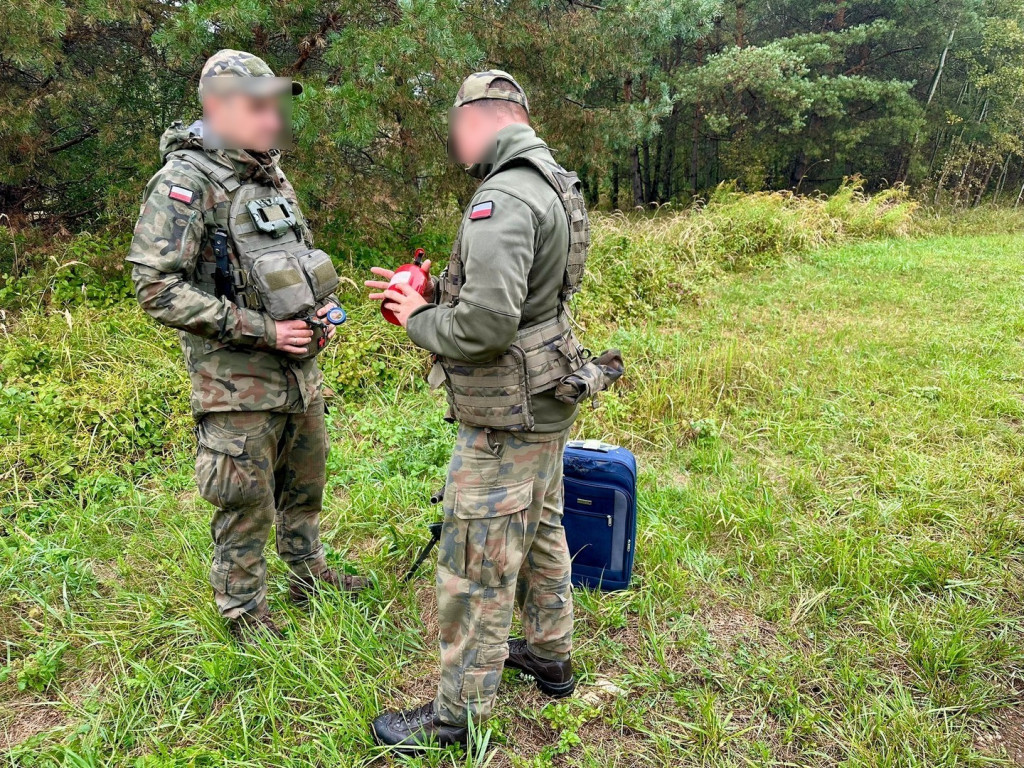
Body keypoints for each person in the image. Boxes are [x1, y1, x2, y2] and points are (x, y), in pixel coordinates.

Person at [367, 70, 603, 752]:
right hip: (548, 400)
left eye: (454, 124)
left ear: (481, 117)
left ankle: (455, 720)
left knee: (477, 563)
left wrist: (418, 319)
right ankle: (550, 654)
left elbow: (487, 327)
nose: (452, 138)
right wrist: (435, 288)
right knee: (543, 527)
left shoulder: (499, 198)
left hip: (509, 412)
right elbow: (530, 293)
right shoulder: (552, 179)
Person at [126, 49, 365, 644]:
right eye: (258, 107)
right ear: (217, 107)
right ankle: (242, 612)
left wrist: (317, 317)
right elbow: (155, 289)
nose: (272, 120)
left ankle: (307, 572)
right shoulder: (185, 184)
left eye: (273, 106)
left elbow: (287, 265)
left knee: (304, 482)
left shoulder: (269, 176)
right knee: (245, 499)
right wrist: (264, 332)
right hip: (237, 384)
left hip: (298, 371)